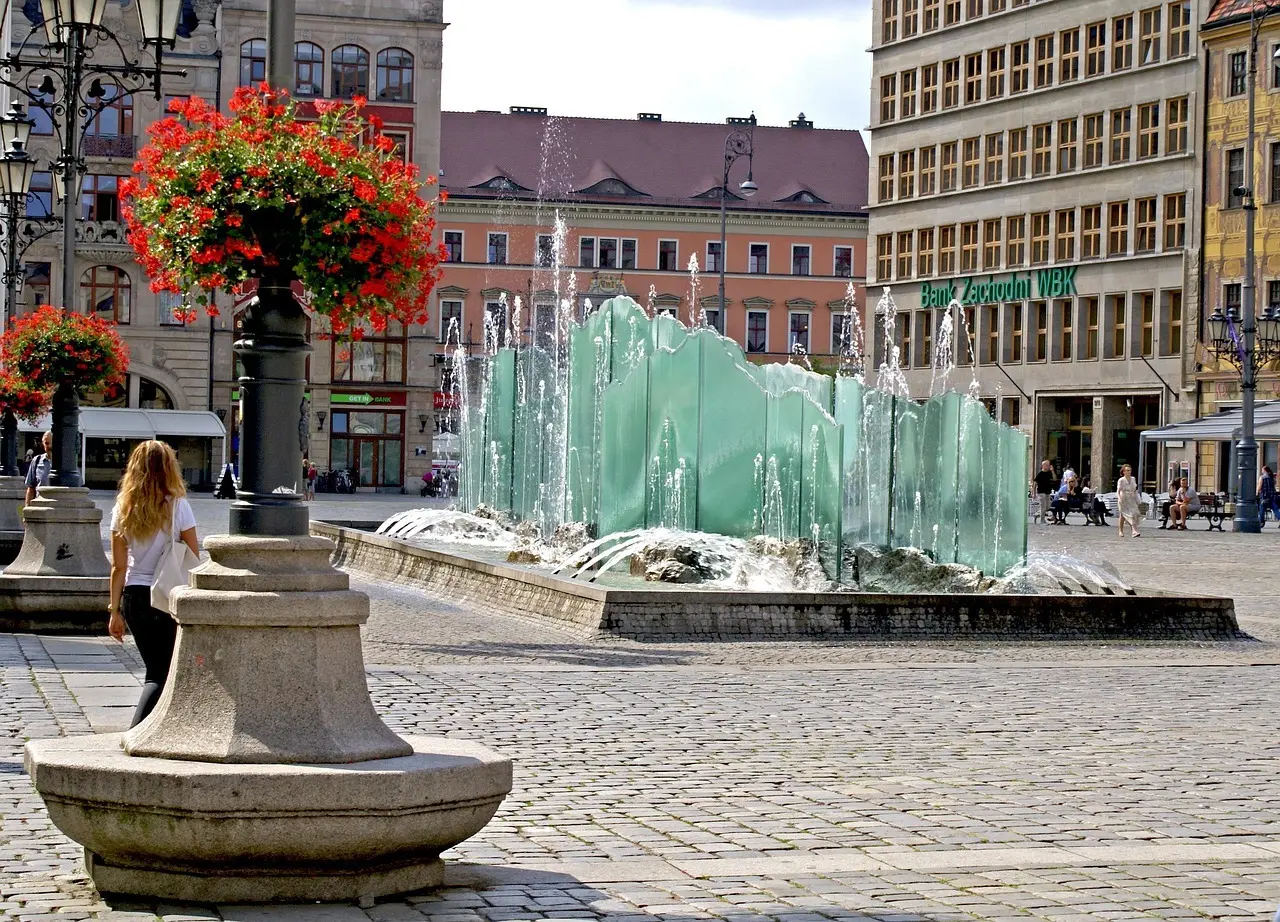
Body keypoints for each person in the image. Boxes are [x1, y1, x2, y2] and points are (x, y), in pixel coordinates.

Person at [107, 441, 199, 728]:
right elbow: (193, 556)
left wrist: (114, 611)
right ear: (170, 468)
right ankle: (137, 732)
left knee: (156, 669)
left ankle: (156, 731)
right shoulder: (179, 507)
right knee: (161, 673)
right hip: (167, 596)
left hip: (134, 597)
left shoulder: (123, 508)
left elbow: (118, 566)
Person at [23, 431, 52, 505]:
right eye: (47, 443)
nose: (50, 446)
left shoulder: (67, 464)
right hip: (40, 507)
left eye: (53, 443)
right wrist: (27, 508)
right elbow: (31, 489)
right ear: (42, 444)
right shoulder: (37, 461)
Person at [1116, 463, 1141, 538]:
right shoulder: (1121, 480)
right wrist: (1119, 498)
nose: (1129, 472)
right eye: (1127, 470)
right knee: (1123, 516)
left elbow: (1134, 489)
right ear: (1123, 471)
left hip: (1131, 498)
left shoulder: (1133, 479)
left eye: (1130, 470)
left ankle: (1134, 531)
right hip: (1123, 498)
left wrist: (1137, 498)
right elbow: (1118, 491)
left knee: (1133, 514)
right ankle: (1121, 530)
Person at [1033, 460, 1056, 526]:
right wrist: (1034, 493)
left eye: (1049, 465)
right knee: (1043, 507)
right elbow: (1035, 483)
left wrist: (1052, 471)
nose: (1048, 466)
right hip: (1041, 492)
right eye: (1047, 465)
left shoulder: (1049, 473)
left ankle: (1038, 513)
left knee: (1047, 506)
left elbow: (1054, 479)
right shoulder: (1040, 474)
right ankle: (1042, 520)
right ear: (1043, 466)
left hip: (1048, 492)